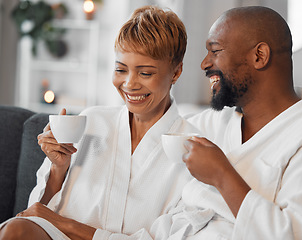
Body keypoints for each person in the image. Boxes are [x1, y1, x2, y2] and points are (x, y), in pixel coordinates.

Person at [140, 6, 302, 239]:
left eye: (215, 51)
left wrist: (222, 176)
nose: (204, 63)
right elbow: (151, 135)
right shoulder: (217, 122)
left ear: (259, 56)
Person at [0, 5, 198, 240]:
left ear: (176, 72)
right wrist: (58, 169)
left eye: (145, 73)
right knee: (15, 230)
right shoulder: (91, 121)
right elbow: (36, 216)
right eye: (120, 69)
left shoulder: (193, 149)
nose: (129, 84)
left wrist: (68, 225)